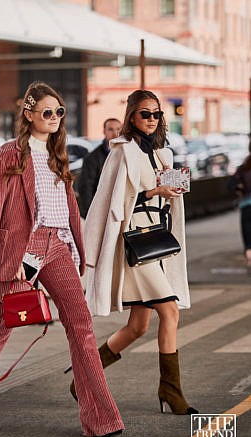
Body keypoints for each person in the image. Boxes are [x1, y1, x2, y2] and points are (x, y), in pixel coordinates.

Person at [0, 81, 124, 437]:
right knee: (2, 324)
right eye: (47, 112)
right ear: (28, 114)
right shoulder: (7, 156)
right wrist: (1, 262)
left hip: (57, 245)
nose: (54, 118)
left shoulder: (57, 154)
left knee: (81, 325)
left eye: (59, 112)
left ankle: (101, 417)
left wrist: (79, 250)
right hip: (24, 250)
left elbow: (67, 208)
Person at [70, 89, 198, 415]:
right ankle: (171, 391)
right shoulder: (122, 152)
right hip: (133, 239)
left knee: (138, 326)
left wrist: (174, 188)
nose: (152, 120)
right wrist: (155, 189)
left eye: (156, 114)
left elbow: (169, 197)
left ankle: (83, 377)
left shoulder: (162, 154)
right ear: (131, 116)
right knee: (170, 312)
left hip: (156, 236)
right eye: (145, 114)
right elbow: (110, 199)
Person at [78, 118, 121, 218]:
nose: (115, 133)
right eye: (110, 129)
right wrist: (89, 214)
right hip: (101, 211)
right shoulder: (92, 158)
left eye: (118, 129)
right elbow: (86, 187)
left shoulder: (127, 154)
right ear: (104, 131)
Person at [230, 142, 251, 266]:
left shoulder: (244, 167)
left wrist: (240, 189)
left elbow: (231, 186)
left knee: (248, 241)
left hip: (246, 206)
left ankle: (249, 259)